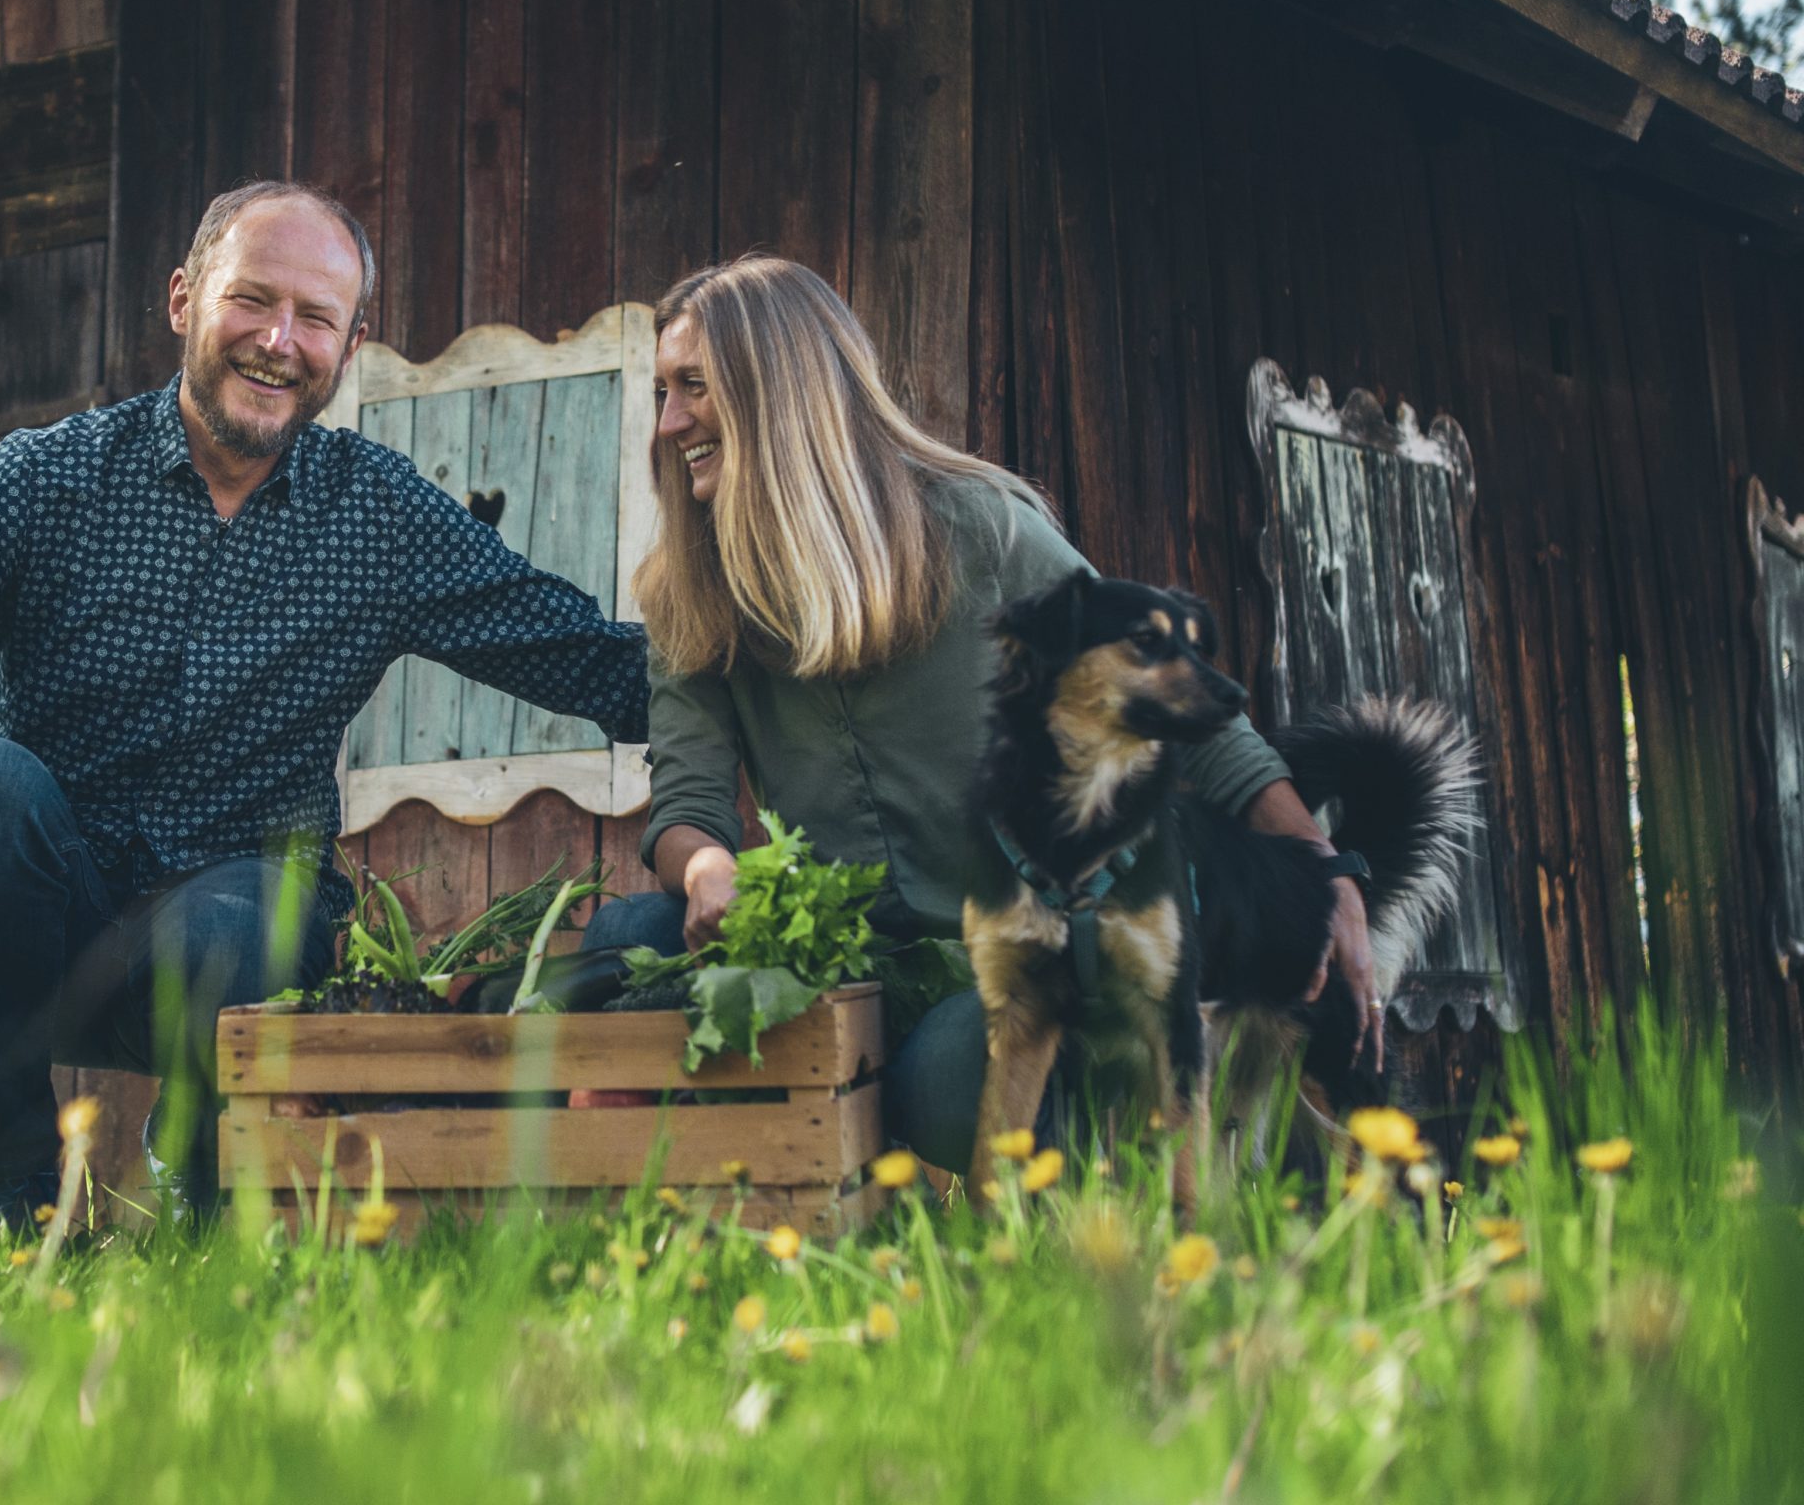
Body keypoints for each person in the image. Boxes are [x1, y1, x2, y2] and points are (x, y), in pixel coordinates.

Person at [0, 181, 649, 1206]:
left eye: (315, 318)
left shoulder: (380, 517)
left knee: (230, 923)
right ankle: (10, 1198)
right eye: (252, 300)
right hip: (29, 928)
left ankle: (203, 1185)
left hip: (235, 933)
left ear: (349, 347)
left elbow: (583, 657)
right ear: (184, 300)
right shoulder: (43, 478)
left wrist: (792, 681)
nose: (278, 341)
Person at [579, 255, 1374, 1174]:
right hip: (854, 961)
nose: (669, 422)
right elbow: (688, 801)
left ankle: (1193, 1147)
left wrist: (1329, 872)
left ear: (777, 395)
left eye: (694, 389)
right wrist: (709, 867)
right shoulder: (687, 591)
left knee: (953, 1085)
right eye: (661, 392)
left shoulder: (979, 530)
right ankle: (701, 1195)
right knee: (622, 941)